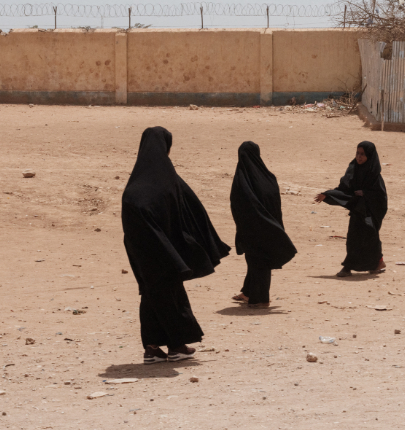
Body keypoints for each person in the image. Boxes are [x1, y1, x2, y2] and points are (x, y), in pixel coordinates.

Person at [121, 127, 230, 363]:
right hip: (165, 249)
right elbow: (188, 211)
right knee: (170, 295)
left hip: (139, 251)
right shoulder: (167, 178)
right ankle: (176, 347)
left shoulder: (136, 180)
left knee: (150, 294)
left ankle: (151, 349)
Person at [229, 141, 297, 307]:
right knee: (253, 259)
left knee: (258, 260)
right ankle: (248, 292)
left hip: (252, 227)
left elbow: (240, 204)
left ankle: (260, 299)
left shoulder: (243, 180)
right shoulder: (268, 177)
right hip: (269, 226)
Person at [314, 141, 388, 277]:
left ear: (370, 156)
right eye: (357, 153)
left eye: (363, 154)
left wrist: (365, 193)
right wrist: (328, 194)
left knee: (371, 236)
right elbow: (344, 190)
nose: (359, 157)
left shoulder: (374, 175)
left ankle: (377, 263)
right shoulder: (353, 169)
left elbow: (380, 197)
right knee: (353, 237)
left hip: (372, 210)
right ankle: (348, 267)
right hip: (358, 209)